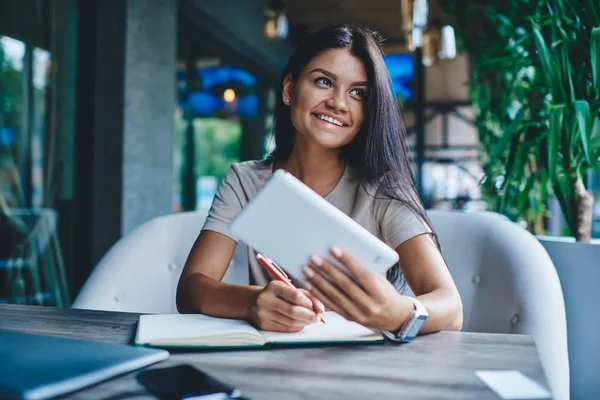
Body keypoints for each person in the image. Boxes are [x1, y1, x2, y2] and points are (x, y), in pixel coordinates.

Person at [177, 26, 463, 337]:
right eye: (323, 81)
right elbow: (190, 289)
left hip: (364, 367)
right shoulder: (245, 181)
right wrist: (252, 302)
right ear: (289, 89)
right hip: (269, 364)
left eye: (358, 93)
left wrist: (398, 313)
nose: (339, 103)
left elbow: (451, 307)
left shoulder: (383, 189)